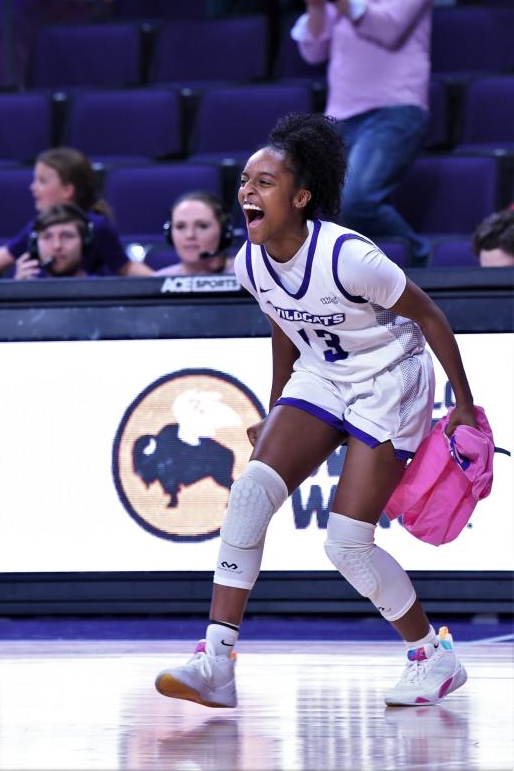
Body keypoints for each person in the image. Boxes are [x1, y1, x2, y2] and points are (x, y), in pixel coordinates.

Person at [155, 112, 478, 710]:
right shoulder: (248, 264)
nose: (247, 191)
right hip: (324, 374)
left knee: (346, 544)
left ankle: (435, 657)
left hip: (391, 379)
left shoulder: (349, 257)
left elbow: (430, 315)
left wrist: (462, 403)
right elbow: (287, 324)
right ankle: (216, 662)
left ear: (302, 197)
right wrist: (279, 403)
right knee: (251, 492)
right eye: (245, 181)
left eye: (266, 182)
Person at [289, 0, 438, 264]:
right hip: (340, 115)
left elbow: (389, 27)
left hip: (394, 107)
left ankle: (422, 262)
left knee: (356, 200)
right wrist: (316, 3)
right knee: (312, 203)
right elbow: (314, 50)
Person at [0, 146, 152, 280]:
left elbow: (126, 267)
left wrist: (169, 282)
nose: (33, 188)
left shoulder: (97, 227)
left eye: (42, 181)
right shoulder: (36, 228)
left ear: (68, 189)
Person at [156, 191, 236, 276]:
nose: (190, 235)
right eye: (180, 226)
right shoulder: (158, 279)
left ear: (224, 232)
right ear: (169, 234)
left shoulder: (246, 277)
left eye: (202, 226)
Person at [13, 203, 94, 279]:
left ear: (85, 242)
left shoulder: (104, 290)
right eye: (47, 237)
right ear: (35, 246)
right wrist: (19, 289)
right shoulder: (28, 289)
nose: (57, 246)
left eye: (67, 236)